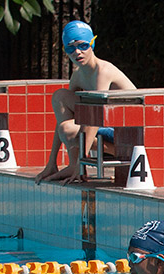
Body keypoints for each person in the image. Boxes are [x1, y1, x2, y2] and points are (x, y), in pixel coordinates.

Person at [35, 20, 136, 185]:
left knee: (69, 128)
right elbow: (67, 116)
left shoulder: (102, 72)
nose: (77, 52)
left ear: (92, 44)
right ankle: (72, 164)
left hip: (130, 133)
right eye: (70, 48)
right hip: (108, 126)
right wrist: (51, 161)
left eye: (82, 46)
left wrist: (81, 164)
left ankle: (78, 165)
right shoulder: (78, 75)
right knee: (60, 96)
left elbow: (93, 119)